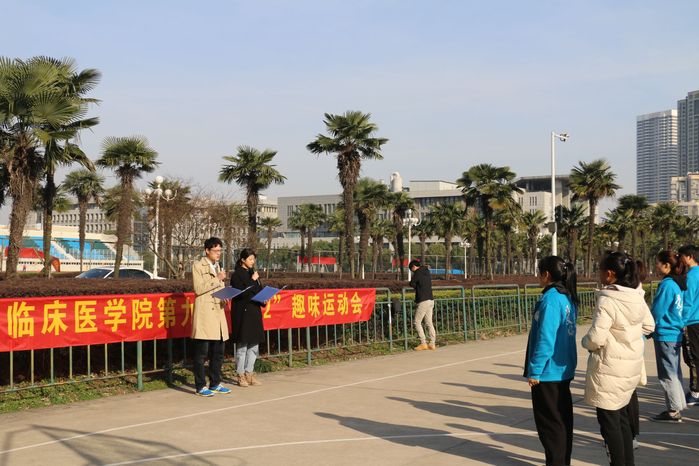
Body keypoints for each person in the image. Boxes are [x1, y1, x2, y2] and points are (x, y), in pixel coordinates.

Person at [582, 252, 654, 466]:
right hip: (629, 367)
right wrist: (628, 337)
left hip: (609, 369)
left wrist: (586, 342)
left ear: (610, 273)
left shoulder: (608, 299)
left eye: (600, 270)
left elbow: (596, 338)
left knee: (609, 424)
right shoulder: (636, 295)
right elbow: (649, 326)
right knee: (622, 419)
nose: (599, 273)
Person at [524, 256, 577, 466]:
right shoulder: (566, 296)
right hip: (561, 369)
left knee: (550, 426)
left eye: (539, 272)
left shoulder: (552, 299)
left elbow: (546, 338)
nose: (538, 276)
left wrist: (535, 369)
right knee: (561, 423)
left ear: (546, 274)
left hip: (549, 372)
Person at [650, 250, 688, 422]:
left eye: (658, 263)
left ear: (666, 265)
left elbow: (658, 311)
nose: (656, 266)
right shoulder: (678, 283)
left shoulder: (667, 285)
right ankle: (678, 405)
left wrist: (647, 329)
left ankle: (673, 410)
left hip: (666, 334)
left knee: (667, 373)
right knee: (674, 371)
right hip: (675, 332)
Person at [191, 237, 231, 397]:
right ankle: (200, 386)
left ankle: (215, 383)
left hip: (218, 314)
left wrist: (225, 296)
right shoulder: (197, 266)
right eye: (215, 250)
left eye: (220, 250)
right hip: (205, 315)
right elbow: (198, 289)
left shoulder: (218, 266)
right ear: (207, 250)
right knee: (201, 353)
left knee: (218, 353)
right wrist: (217, 279)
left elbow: (218, 289)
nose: (218, 253)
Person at [230, 248, 265, 387]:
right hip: (242, 313)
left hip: (254, 312)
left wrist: (264, 298)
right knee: (243, 345)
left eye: (254, 259)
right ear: (243, 259)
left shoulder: (253, 273)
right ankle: (240, 375)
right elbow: (242, 293)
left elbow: (257, 291)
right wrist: (252, 280)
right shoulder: (236, 275)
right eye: (250, 259)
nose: (252, 262)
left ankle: (249, 372)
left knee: (254, 345)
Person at [678, 244, 699, 406]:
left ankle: (695, 391)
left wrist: (682, 321)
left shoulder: (691, 276)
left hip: (691, 321)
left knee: (692, 357)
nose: (680, 260)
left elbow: (688, 302)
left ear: (689, 257)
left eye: (681, 256)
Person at [408, 259, 435, 351]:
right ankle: (432, 343)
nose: (412, 271)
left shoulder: (417, 273)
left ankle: (423, 343)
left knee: (417, 322)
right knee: (429, 322)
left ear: (413, 267)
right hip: (430, 299)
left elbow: (412, 283)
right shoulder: (427, 271)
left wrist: (416, 285)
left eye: (411, 270)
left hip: (423, 300)